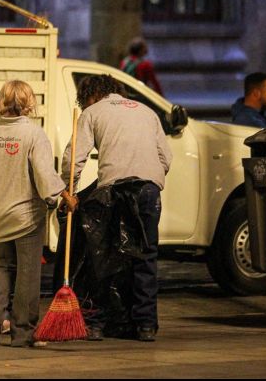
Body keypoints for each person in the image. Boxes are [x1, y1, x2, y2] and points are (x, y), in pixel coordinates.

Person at [62, 74, 172, 342]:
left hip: (114, 191)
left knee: (105, 258)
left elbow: (73, 158)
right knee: (145, 256)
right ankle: (145, 326)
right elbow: (166, 158)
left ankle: (97, 324)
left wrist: (70, 191)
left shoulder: (92, 112)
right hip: (148, 190)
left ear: (92, 95)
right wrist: (150, 178)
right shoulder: (147, 112)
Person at [0, 80, 77, 348]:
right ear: (28, 102)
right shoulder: (33, 133)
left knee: (1, 266)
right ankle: (23, 332)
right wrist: (63, 195)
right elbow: (44, 175)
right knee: (27, 273)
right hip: (25, 215)